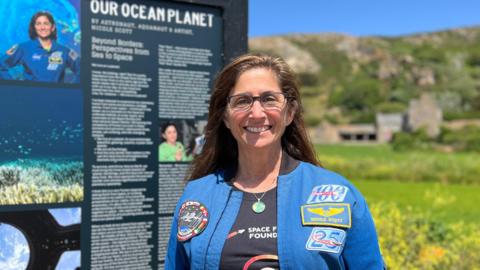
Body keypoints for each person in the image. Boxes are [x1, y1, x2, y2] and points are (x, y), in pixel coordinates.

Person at [165, 54, 385, 269]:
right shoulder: (197, 195)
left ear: (289, 112)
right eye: (242, 101)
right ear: (225, 117)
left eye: (269, 99)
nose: (257, 113)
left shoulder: (340, 194)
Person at [0, 11, 80, 83]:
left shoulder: (65, 51)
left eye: (46, 23)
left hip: (56, 97)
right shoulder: (24, 48)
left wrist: (70, 89)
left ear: (52, 27)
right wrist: (14, 86)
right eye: (38, 24)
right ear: (34, 28)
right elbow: (1, 65)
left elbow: (83, 70)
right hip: (29, 97)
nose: (42, 27)